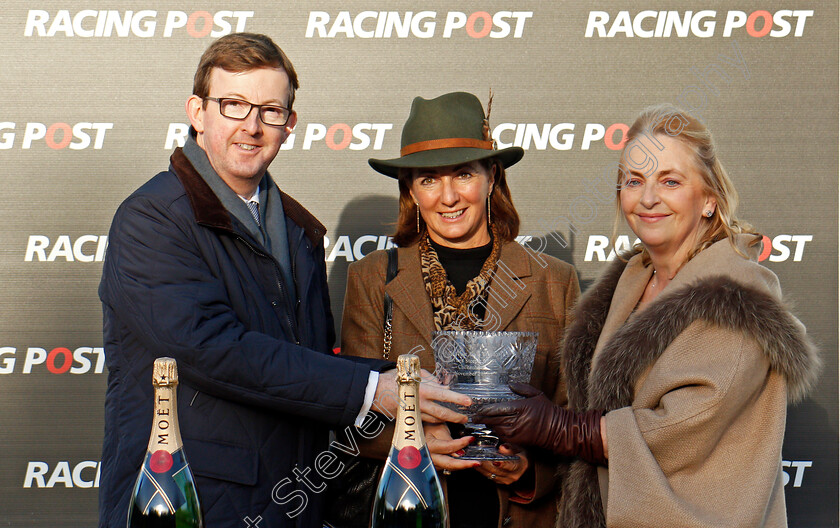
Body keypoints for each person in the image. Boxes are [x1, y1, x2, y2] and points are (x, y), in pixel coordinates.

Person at [98, 33, 467, 527]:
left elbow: (303, 358)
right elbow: (214, 350)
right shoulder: (151, 219)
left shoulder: (297, 229)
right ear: (197, 112)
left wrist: (404, 388)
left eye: (270, 111)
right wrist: (369, 387)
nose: (251, 126)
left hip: (293, 502)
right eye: (233, 105)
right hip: (188, 504)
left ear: (288, 125)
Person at [475, 104, 821, 527]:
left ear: (709, 199)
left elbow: (681, 429)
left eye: (670, 181)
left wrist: (562, 430)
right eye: (634, 181)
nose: (648, 198)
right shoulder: (632, 278)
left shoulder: (736, 297)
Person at [340, 91, 581, 528]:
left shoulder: (554, 281)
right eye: (429, 179)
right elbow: (354, 414)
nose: (448, 197)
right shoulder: (373, 277)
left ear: (492, 176)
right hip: (409, 509)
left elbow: (574, 422)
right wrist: (411, 439)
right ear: (410, 189)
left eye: (463, 174)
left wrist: (529, 472)